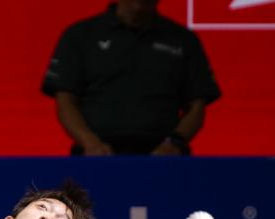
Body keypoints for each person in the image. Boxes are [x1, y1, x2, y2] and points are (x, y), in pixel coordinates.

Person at [40, 0, 221, 155]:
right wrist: (89, 142)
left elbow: (197, 105)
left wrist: (174, 143)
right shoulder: (80, 35)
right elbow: (65, 100)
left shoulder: (184, 39)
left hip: (164, 158)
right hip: (95, 156)